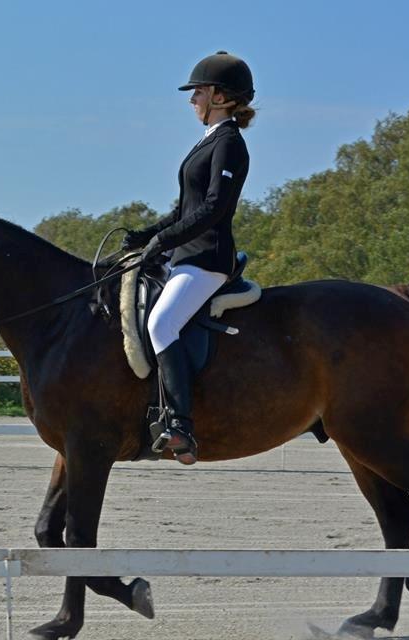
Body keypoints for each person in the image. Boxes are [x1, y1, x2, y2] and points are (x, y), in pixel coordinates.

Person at [122, 50, 255, 465]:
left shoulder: (230, 143)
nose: (191, 99)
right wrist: (148, 234)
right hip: (186, 254)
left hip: (208, 260)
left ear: (220, 96)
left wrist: (164, 240)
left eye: (197, 91)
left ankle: (179, 422)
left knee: (162, 324)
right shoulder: (208, 140)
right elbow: (185, 208)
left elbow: (214, 208)